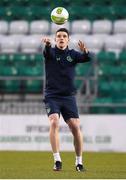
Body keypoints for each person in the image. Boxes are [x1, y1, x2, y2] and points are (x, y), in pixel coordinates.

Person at [42, 28, 93, 172]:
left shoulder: (73, 54)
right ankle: (57, 160)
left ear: (68, 39)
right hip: (52, 96)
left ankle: (79, 162)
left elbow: (87, 58)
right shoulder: (50, 52)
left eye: (64, 36)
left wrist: (85, 51)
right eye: (58, 36)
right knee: (54, 121)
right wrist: (47, 44)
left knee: (76, 127)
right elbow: (47, 52)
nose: (61, 38)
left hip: (68, 97)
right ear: (55, 39)